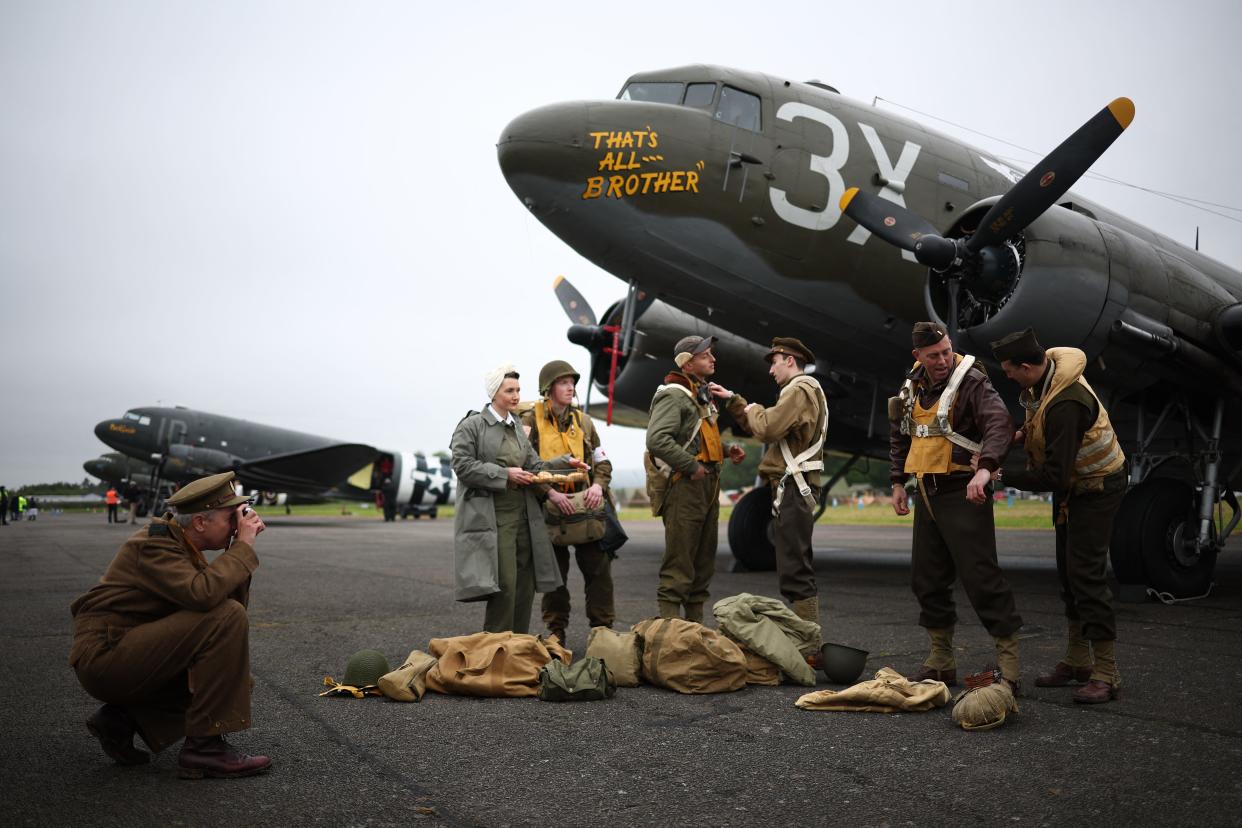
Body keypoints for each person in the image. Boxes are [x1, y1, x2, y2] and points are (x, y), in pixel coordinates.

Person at [68, 471, 272, 778]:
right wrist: (242, 547)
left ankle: (123, 720)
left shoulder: (182, 543)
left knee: (235, 681)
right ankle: (205, 750)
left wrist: (235, 552)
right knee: (226, 618)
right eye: (232, 517)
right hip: (106, 656)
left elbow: (224, 612)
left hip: (130, 650)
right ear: (201, 523)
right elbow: (206, 598)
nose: (238, 524)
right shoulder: (155, 545)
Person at [991, 328, 1127, 704]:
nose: (1008, 377)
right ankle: (1078, 662)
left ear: (1027, 366)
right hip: (1075, 489)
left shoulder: (1067, 402)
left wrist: (999, 475)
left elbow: (1054, 475)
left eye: (1010, 370)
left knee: (1087, 576)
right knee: (1069, 576)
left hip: (1096, 488)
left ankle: (1106, 673)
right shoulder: (1046, 381)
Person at [889, 322, 1023, 690]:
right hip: (926, 493)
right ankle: (940, 661)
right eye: (934, 356)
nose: (943, 360)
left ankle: (1009, 670)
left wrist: (985, 469)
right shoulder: (912, 384)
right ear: (918, 356)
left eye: (946, 351)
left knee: (982, 578)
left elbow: (999, 422)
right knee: (926, 578)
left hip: (963, 490)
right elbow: (902, 433)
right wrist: (898, 481)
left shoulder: (972, 381)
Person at [450, 365, 587, 633]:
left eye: (518, 390)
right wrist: (505, 474)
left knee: (525, 586)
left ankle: (519, 649)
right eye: (509, 390)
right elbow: (462, 465)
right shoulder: (472, 425)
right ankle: (495, 651)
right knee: (505, 586)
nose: (515, 396)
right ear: (494, 393)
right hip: (493, 518)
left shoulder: (515, 427)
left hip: (524, 517)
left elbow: (535, 465)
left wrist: (564, 462)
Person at [726, 337, 829, 662]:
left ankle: (809, 641)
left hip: (794, 488)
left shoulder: (798, 390)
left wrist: (751, 408)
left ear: (790, 360)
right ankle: (806, 637)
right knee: (792, 564)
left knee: (794, 567)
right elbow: (767, 426)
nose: (770, 369)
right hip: (792, 488)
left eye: (774, 362)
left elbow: (768, 427)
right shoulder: (799, 391)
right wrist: (734, 401)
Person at [646, 335, 747, 622]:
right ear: (688, 364)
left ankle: (695, 634)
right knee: (679, 565)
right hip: (685, 487)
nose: (713, 359)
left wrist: (726, 450)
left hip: (707, 486)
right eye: (705, 356)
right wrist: (690, 466)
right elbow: (656, 440)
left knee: (703, 565)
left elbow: (695, 439)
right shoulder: (673, 394)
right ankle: (670, 635)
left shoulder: (699, 394)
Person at [520, 360, 615, 645]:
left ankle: (603, 631)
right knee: (554, 578)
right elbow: (524, 462)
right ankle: (556, 632)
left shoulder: (584, 421)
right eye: (563, 382)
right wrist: (550, 492)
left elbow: (603, 461)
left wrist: (598, 486)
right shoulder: (530, 421)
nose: (570, 387)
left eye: (572, 382)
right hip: (551, 508)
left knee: (599, 573)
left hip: (586, 507)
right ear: (548, 388)